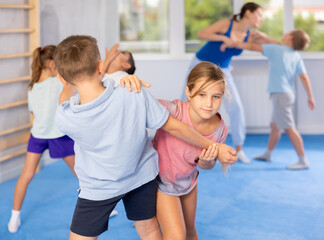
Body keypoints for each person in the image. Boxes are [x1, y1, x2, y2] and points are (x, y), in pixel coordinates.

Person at [53, 35, 237, 240]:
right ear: (99, 66)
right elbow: (175, 127)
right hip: (141, 177)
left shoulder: (66, 117)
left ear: (62, 78)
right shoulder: (132, 92)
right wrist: (215, 146)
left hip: (99, 186)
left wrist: (88, 76)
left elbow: (64, 99)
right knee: (149, 230)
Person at [123, 62, 229, 239]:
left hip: (188, 182)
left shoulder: (219, 129)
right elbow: (140, 103)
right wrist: (128, 81)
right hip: (162, 182)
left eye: (216, 97)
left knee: (190, 230)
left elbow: (206, 166)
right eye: (202, 94)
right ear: (188, 92)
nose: (209, 103)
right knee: (176, 236)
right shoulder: (173, 110)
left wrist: (206, 160)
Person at [183, 2, 272, 164]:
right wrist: (223, 37)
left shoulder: (250, 34)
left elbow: (266, 47)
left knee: (236, 107)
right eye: (258, 14)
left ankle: (239, 149)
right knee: (186, 104)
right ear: (248, 13)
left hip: (223, 70)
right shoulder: (227, 24)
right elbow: (201, 34)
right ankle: (182, 144)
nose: (260, 18)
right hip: (201, 64)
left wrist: (263, 38)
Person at [222, 29, 315, 169]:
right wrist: (310, 96)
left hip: (280, 94)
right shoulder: (295, 56)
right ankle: (268, 154)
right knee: (275, 126)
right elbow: (304, 77)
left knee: (289, 128)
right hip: (288, 94)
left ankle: (303, 160)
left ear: (289, 37)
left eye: (287, 33)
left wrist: (233, 43)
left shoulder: (277, 50)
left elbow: (252, 47)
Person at [8, 45, 76, 233]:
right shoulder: (59, 83)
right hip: (58, 136)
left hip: (37, 135)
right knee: (82, 173)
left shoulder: (32, 87)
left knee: (26, 175)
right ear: (53, 64)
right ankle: (100, 207)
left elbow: (33, 112)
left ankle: (14, 218)